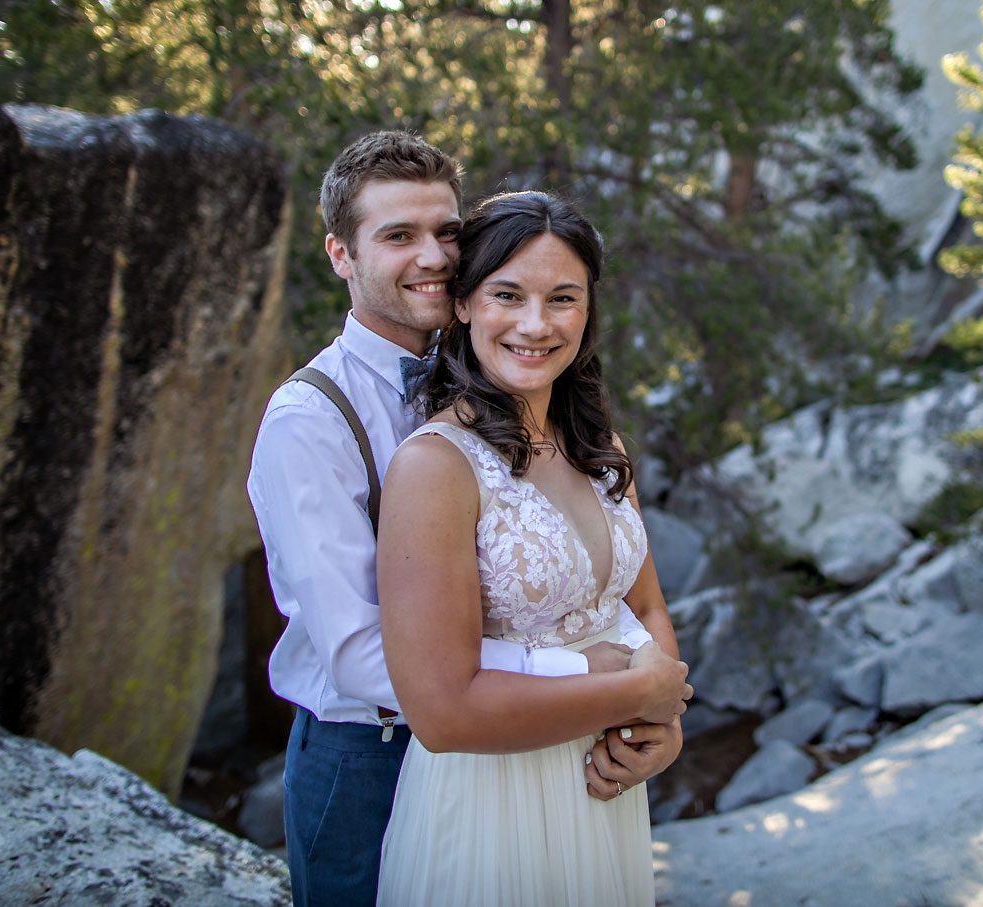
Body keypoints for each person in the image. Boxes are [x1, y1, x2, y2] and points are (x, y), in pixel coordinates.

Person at [246, 132, 689, 907]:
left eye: (446, 232)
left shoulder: (522, 382)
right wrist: (603, 678)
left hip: (558, 751)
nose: (432, 256)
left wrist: (653, 710)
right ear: (341, 255)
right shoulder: (308, 420)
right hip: (370, 755)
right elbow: (360, 655)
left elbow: (626, 589)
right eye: (397, 236)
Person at [376, 191, 684, 907]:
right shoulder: (435, 466)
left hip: (601, 793)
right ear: (463, 305)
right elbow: (441, 712)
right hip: (493, 802)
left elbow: (643, 605)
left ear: (588, 311)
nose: (535, 324)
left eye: (563, 298)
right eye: (506, 295)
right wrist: (639, 692)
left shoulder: (600, 446)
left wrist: (661, 728)